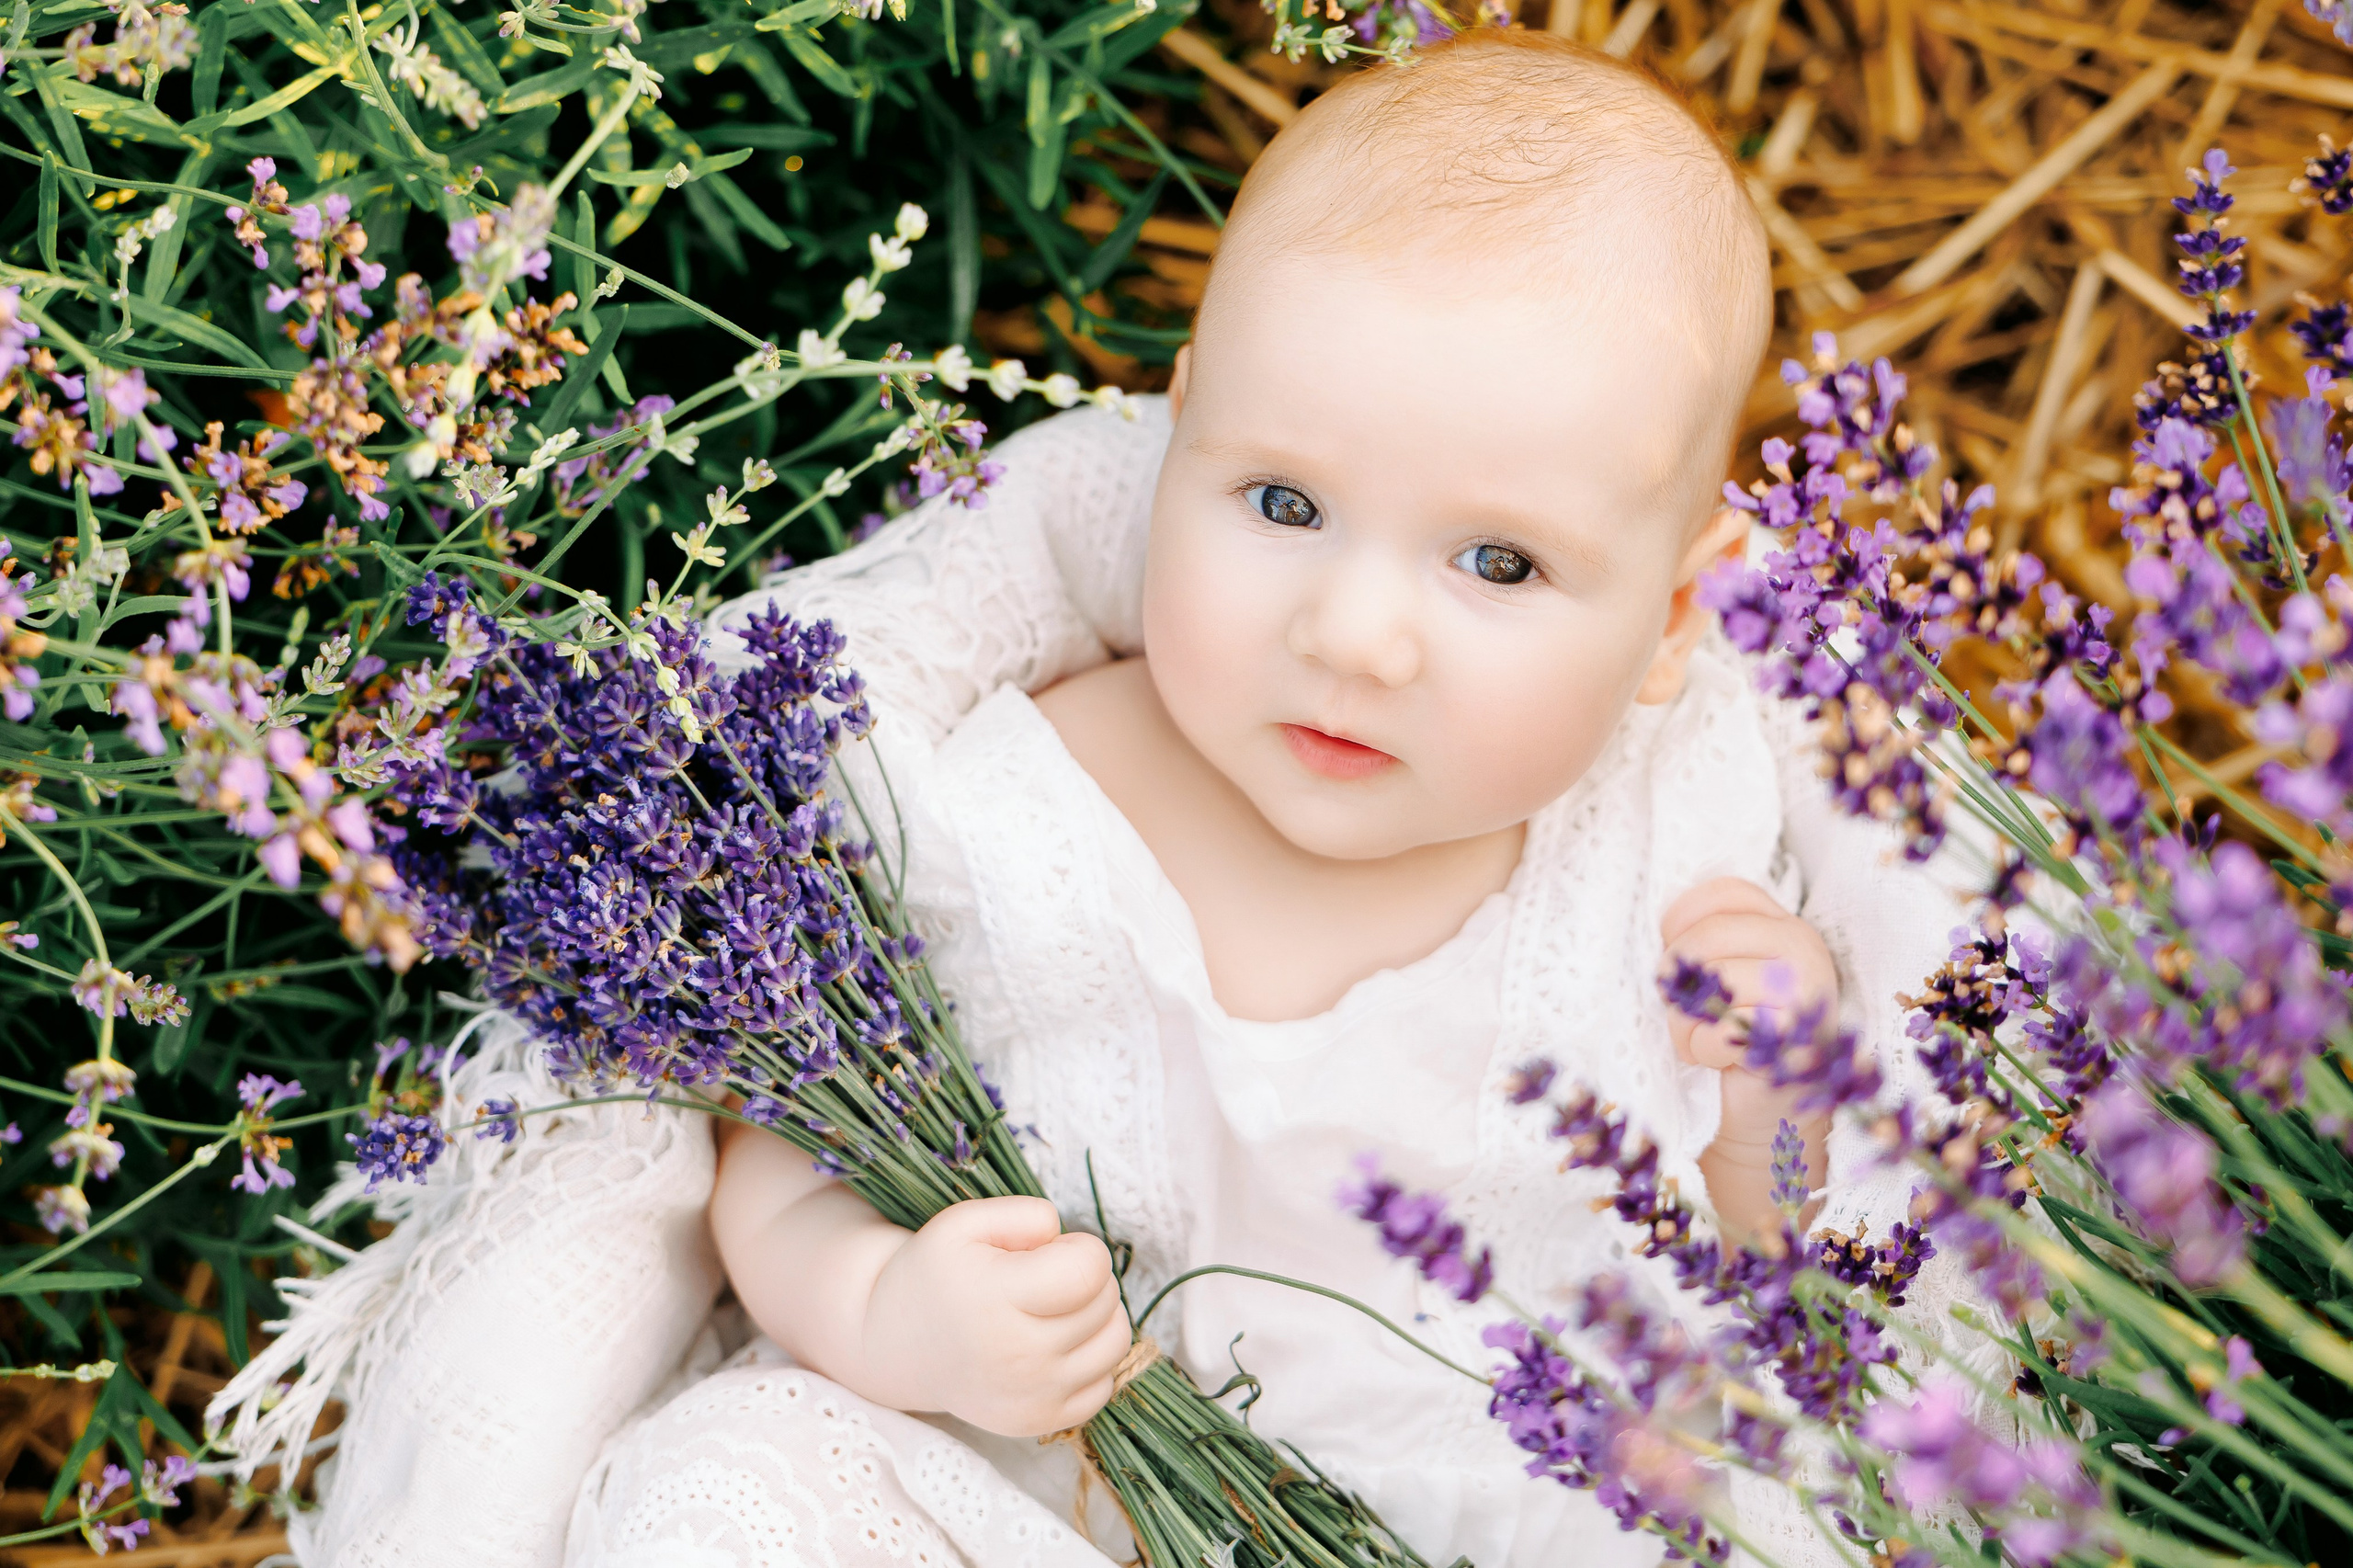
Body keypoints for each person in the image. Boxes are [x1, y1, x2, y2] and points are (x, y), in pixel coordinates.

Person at [565, 28, 1968, 1568]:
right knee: (729, 1476)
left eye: (1498, 562)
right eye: (1285, 503)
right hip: (1056, 1507)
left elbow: (1770, 1264)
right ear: (1178, 438)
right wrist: (891, 1308)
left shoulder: (1666, 868)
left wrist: (1775, 1097)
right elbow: (789, 1134)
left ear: (1675, 619)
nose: (1353, 635)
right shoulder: (1026, 805)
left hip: (1524, 1515)